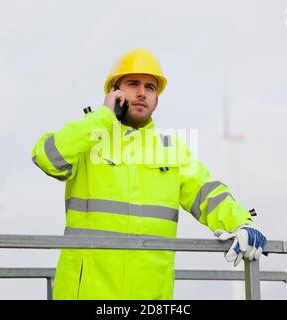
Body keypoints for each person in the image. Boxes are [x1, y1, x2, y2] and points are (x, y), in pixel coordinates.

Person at [31, 48, 267, 300]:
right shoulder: (89, 141)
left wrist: (241, 222)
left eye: (150, 87)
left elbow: (208, 193)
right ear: (114, 92)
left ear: (157, 99)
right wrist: (102, 118)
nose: (142, 93)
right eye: (133, 84)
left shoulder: (171, 150)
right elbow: (47, 158)